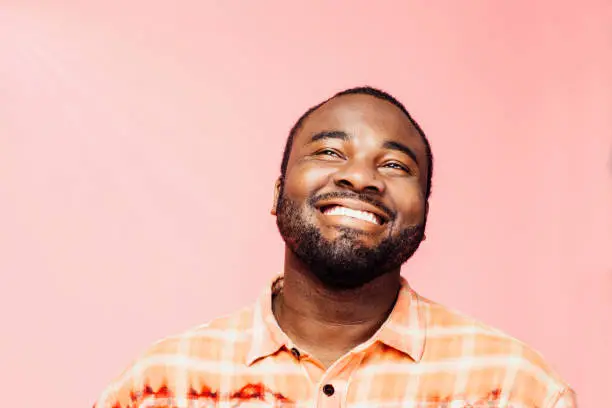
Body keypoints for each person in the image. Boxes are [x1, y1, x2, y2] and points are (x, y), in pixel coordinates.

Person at [93, 87, 576, 408]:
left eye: (394, 165)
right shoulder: (162, 385)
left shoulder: (515, 387)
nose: (360, 177)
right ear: (278, 191)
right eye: (329, 152)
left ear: (424, 213)